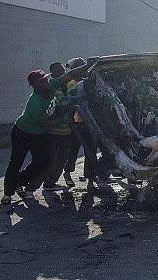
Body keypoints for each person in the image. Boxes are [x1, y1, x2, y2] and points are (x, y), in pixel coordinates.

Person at [1, 58, 97, 205]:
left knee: (43, 161)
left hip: (40, 134)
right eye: (41, 82)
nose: (46, 83)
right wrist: (64, 120)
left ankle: (21, 181)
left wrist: (88, 65)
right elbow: (46, 124)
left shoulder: (52, 85)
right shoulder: (35, 104)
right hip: (23, 132)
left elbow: (69, 75)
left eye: (46, 79)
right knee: (16, 162)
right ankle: (8, 194)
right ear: (34, 86)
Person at [34, 61, 76, 191]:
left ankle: (50, 183)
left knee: (62, 160)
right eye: (57, 71)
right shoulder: (52, 89)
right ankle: (32, 186)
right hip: (53, 132)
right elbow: (62, 108)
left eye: (62, 70)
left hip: (67, 132)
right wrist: (76, 99)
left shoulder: (70, 84)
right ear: (52, 74)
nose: (61, 72)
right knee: (50, 161)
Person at [63, 57, 98, 188]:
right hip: (76, 122)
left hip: (88, 122)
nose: (85, 69)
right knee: (73, 151)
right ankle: (67, 173)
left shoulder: (87, 82)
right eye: (82, 66)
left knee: (90, 149)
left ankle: (90, 176)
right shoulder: (71, 84)